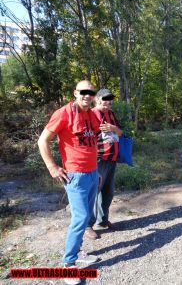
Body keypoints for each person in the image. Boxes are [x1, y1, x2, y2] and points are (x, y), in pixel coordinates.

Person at [37, 80, 100, 284]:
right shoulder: (63, 113)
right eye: (83, 92)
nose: (87, 95)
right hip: (75, 176)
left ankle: (77, 252)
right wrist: (52, 167)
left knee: (88, 215)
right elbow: (42, 141)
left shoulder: (91, 115)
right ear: (75, 93)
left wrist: (96, 170)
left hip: (92, 173)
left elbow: (91, 144)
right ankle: (68, 265)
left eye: (91, 92)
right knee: (80, 218)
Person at [85, 88, 123, 240]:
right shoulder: (92, 113)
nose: (109, 102)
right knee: (93, 193)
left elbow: (120, 133)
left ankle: (103, 220)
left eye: (111, 100)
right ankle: (87, 225)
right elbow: (86, 137)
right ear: (98, 99)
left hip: (112, 158)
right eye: (106, 99)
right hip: (98, 159)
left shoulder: (111, 114)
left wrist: (112, 128)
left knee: (108, 192)